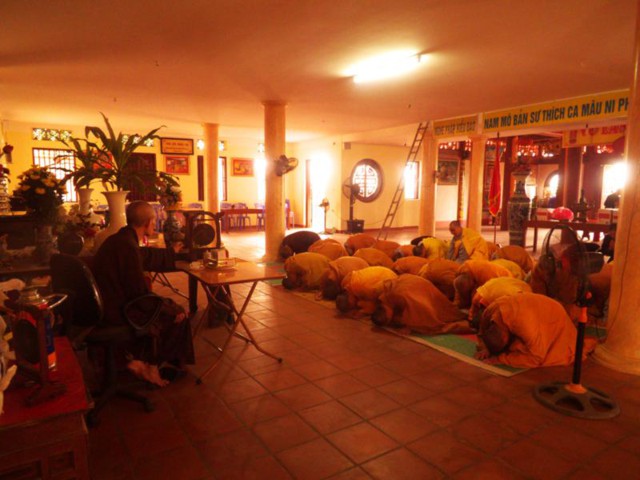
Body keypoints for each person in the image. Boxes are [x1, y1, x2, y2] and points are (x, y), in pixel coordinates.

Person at [92, 201, 194, 387]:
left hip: (103, 306)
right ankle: (152, 366)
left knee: (169, 307)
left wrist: (171, 252)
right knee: (179, 314)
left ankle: (138, 361)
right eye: (153, 221)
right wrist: (170, 309)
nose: (154, 224)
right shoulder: (127, 246)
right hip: (117, 312)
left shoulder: (119, 239)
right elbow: (140, 296)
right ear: (147, 223)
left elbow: (143, 255)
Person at [475, 293, 591, 368]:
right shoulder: (490, 311)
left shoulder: (525, 327)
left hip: (553, 313)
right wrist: (485, 347)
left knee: (548, 353)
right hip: (529, 307)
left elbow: (536, 357)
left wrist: (501, 359)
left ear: (507, 336)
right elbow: (482, 332)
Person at [373, 274, 472, 335]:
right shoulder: (383, 298)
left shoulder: (399, 297)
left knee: (432, 322)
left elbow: (419, 310)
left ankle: (467, 321)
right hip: (413, 280)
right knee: (443, 307)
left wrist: (409, 326)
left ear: (387, 313)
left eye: (389, 319)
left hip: (419, 287)